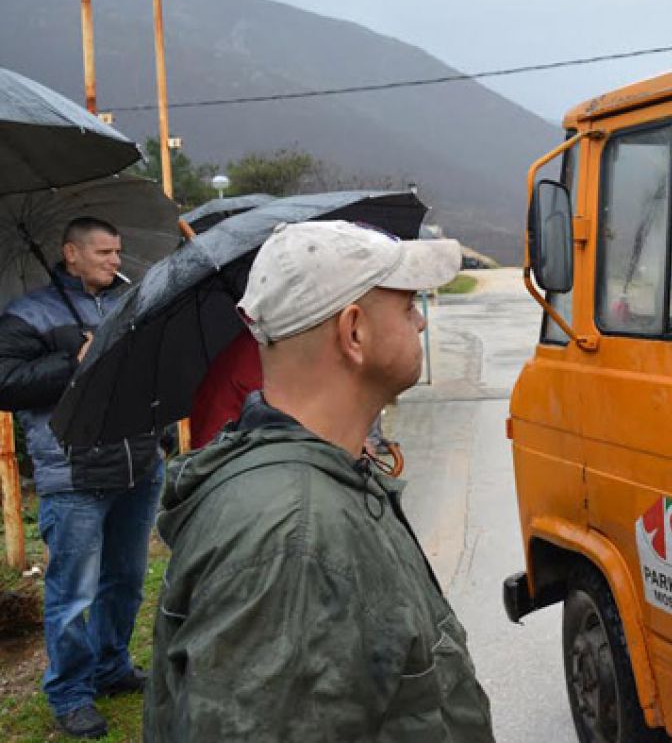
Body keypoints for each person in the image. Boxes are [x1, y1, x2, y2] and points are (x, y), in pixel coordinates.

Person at [145, 221, 494, 742]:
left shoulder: (324, 481)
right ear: (353, 332)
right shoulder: (295, 537)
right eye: (405, 305)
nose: (420, 322)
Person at [0, 217, 163, 739]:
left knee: (126, 581)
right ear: (71, 254)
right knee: (73, 594)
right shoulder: (29, 314)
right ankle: (70, 692)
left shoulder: (129, 303)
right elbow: (6, 383)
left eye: (118, 252)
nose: (116, 261)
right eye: (104, 253)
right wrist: (73, 361)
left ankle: (111, 666)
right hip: (73, 474)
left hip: (137, 464)